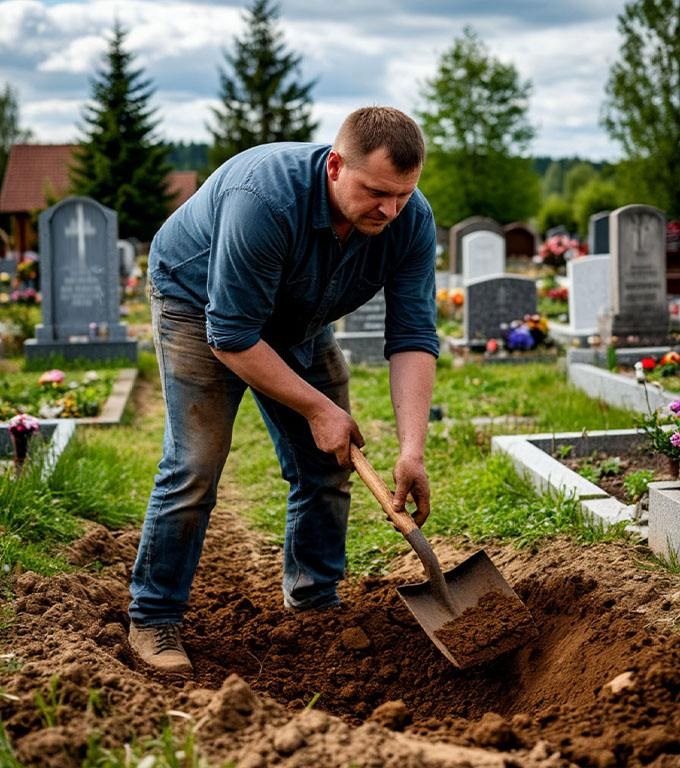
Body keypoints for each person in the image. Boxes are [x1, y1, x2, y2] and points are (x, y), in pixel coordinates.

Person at [128, 106, 439, 674]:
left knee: (329, 462)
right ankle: (153, 616)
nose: (390, 210)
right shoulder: (264, 199)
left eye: (403, 194)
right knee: (195, 464)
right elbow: (230, 334)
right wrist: (319, 408)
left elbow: (414, 335)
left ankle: (314, 600)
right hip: (200, 310)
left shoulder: (409, 219)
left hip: (299, 317)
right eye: (376, 192)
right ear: (336, 165)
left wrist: (411, 449)